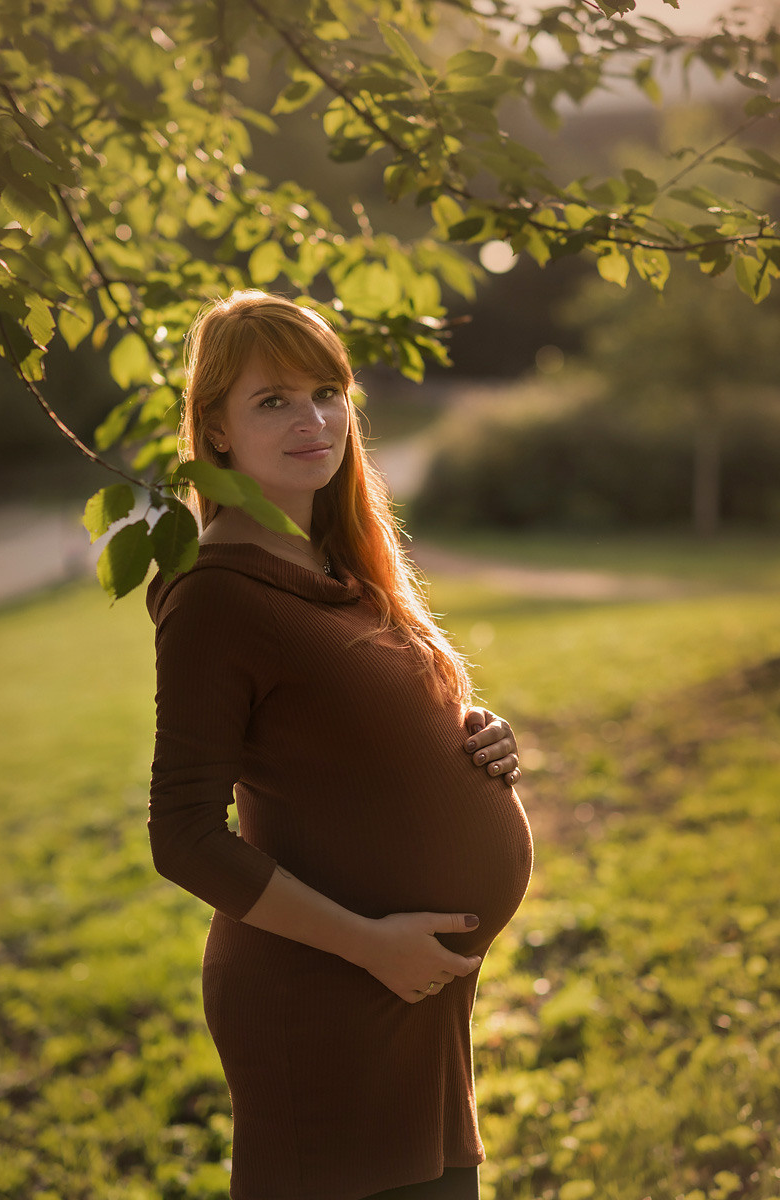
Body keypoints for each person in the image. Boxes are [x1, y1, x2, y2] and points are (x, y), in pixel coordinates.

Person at [147, 290, 534, 1200]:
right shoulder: (214, 594)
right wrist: (370, 946)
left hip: (414, 992)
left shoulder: (338, 559)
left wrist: (477, 740)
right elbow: (184, 837)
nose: (313, 419)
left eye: (327, 390)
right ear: (216, 430)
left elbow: (360, 739)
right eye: (272, 400)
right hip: (327, 997)